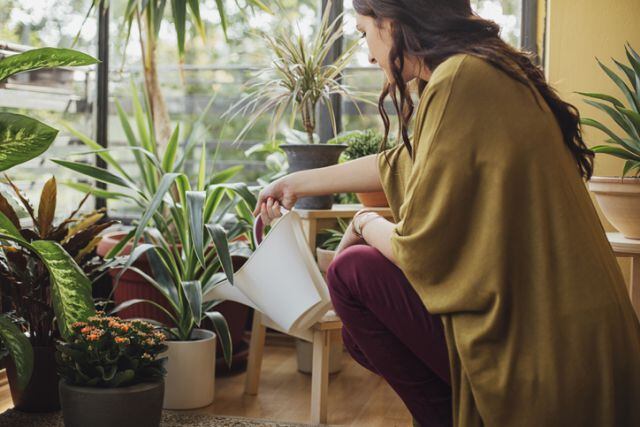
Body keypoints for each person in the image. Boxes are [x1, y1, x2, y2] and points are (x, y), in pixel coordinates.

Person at [253, 1, 640, 426]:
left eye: (365, 34)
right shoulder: (483, 71)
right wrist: (294, 183)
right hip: (581, 341)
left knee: (352, 272)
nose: (367, 55)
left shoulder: (459, 79)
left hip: (545, 350)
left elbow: (421, 253)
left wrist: (363, 223)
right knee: (357, 331)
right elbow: (403, 161)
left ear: (393, 21)